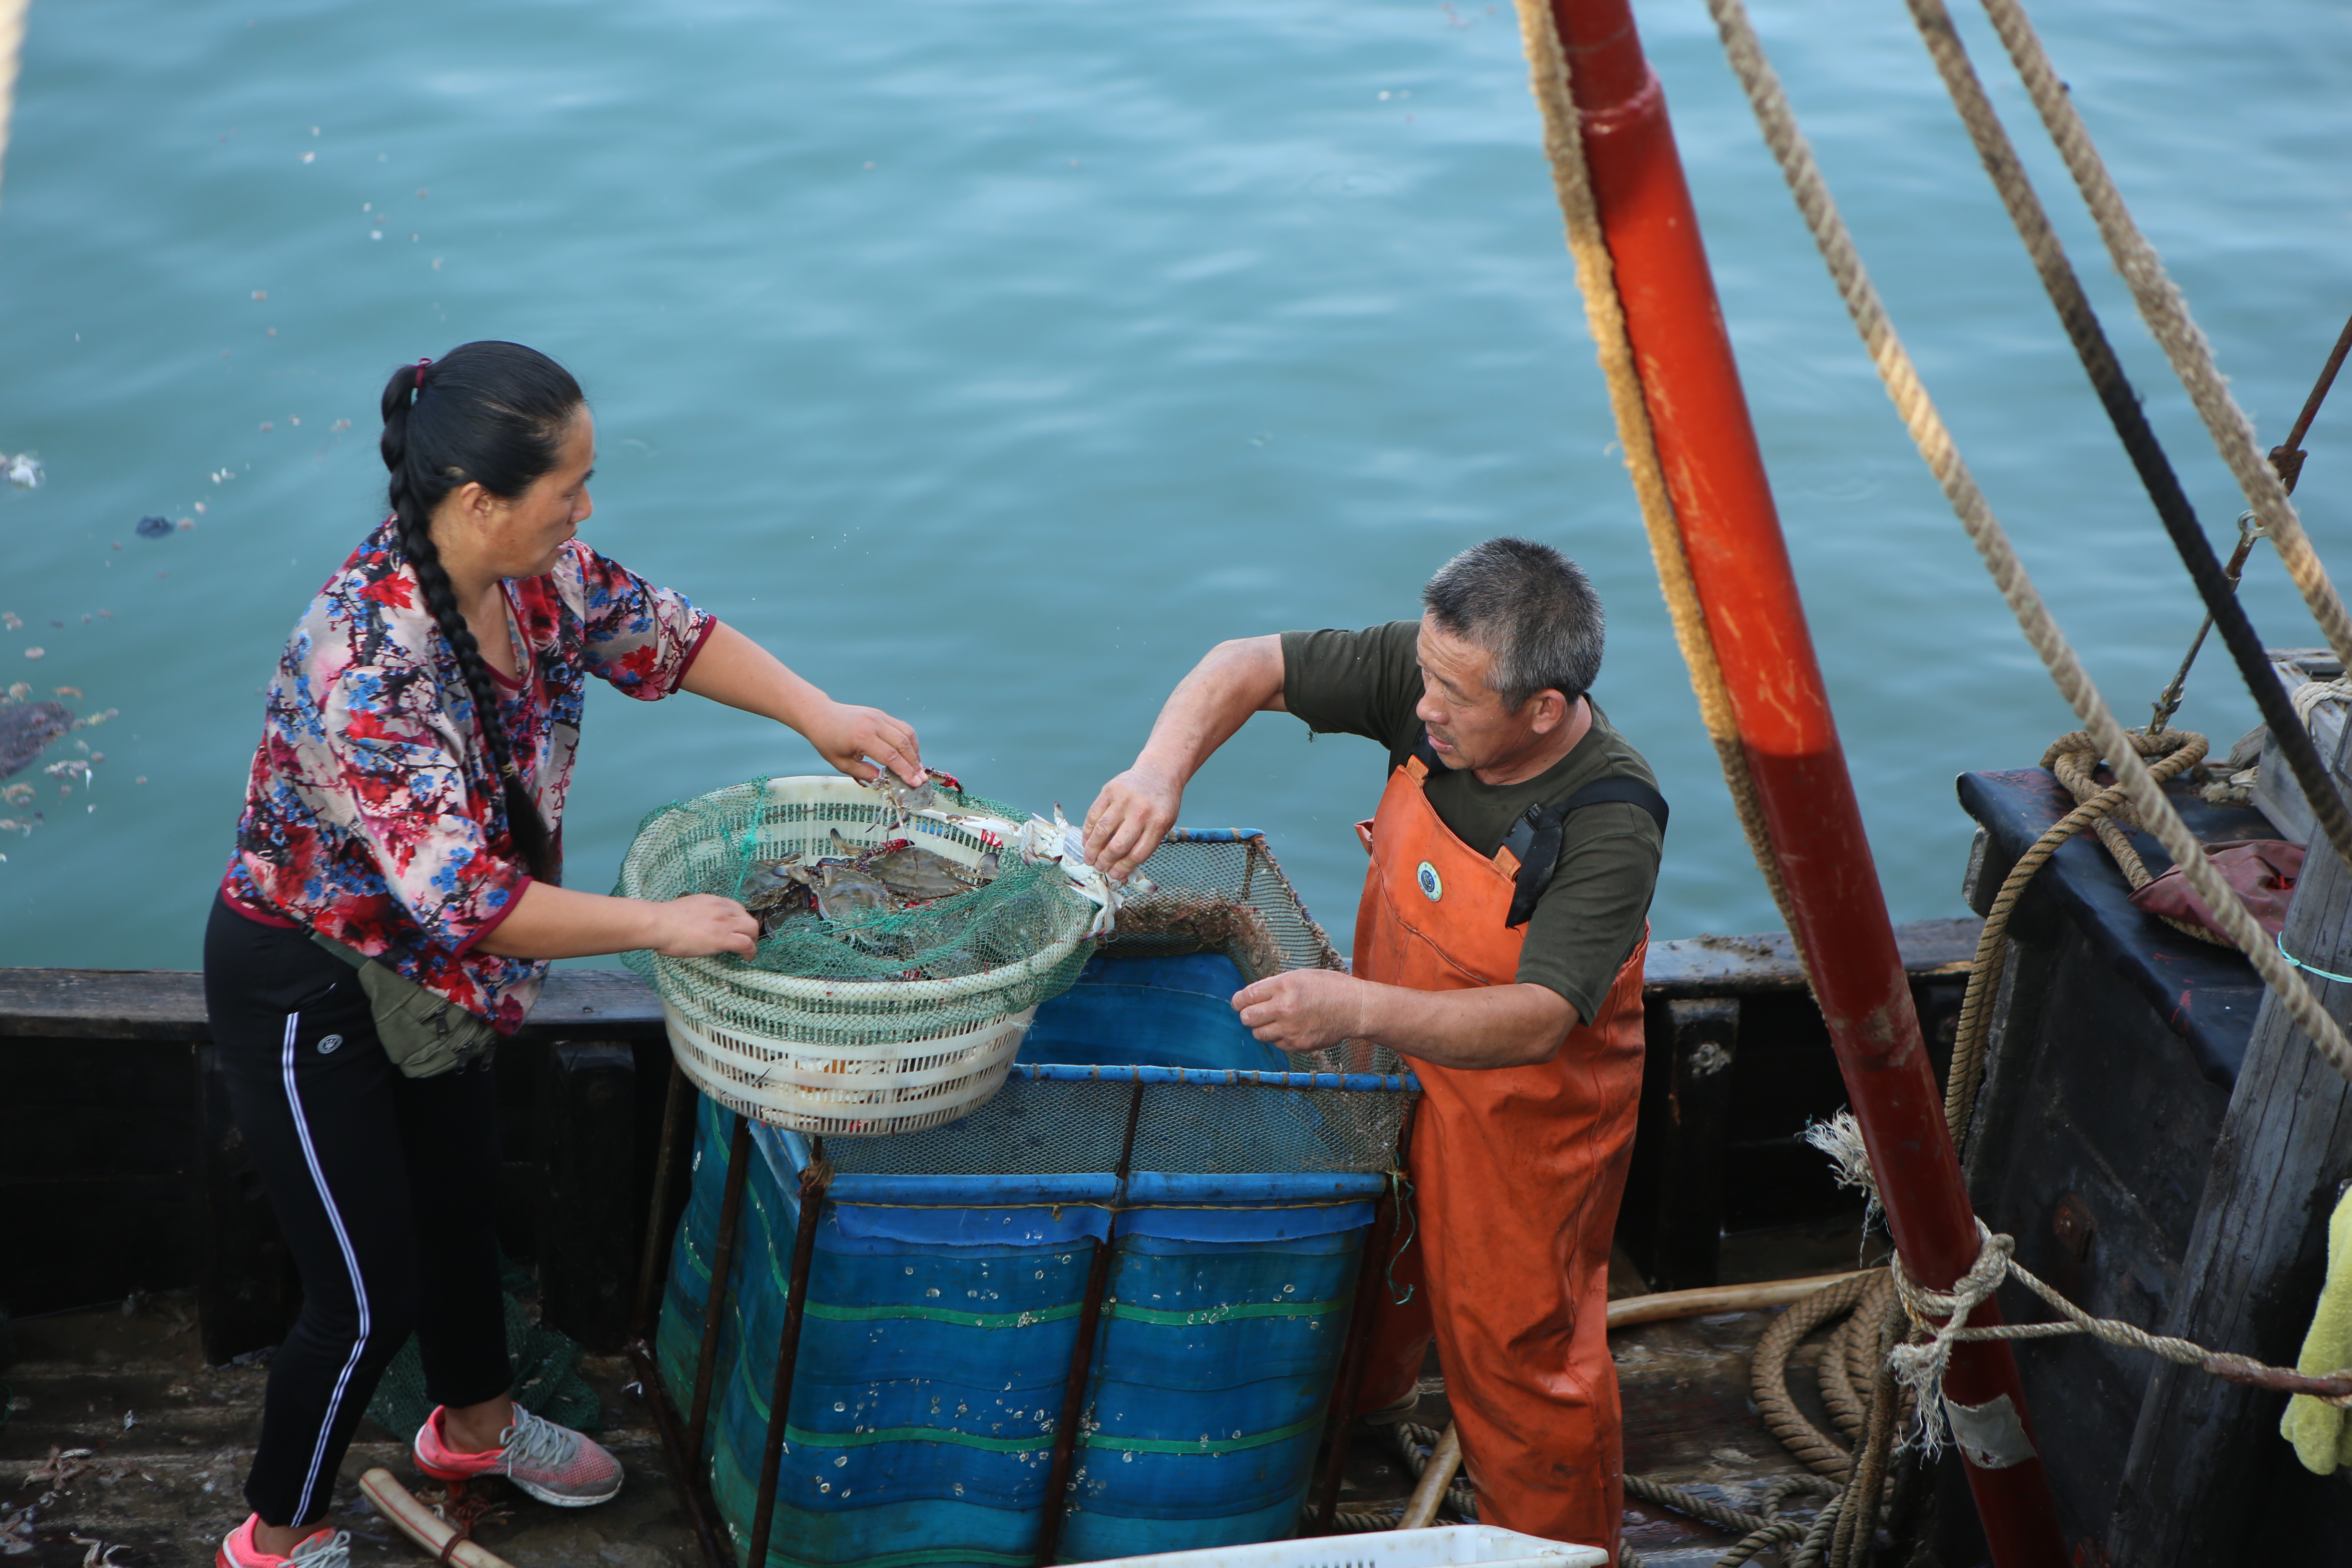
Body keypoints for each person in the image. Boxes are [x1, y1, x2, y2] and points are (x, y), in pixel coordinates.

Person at [203, 341, 926, 1568]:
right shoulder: (367, 659)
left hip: (442, 980)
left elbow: (673, 636)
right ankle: (274, 1538)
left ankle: (475, 1428)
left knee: (462, 1205)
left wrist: (820, 712)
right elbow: (471, 898)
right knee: (365, 1295)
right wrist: (660, 923)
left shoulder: (541, 579)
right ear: (479, 500)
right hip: (310, 978)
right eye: (569, 489)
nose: (586, 510)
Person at [1082, 537, 1663, 1555]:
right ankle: (1360, 1416)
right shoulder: (1443, 672)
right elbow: (1244, 664)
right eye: (1425, 677)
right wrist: (1157, 773)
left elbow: (1536, 1020)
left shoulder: (1610, 821)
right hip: (1386, 1061)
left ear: (1543, 708)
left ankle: (1557, 1544)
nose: (1424, 706)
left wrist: (1353, 1009)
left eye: (1454, 696)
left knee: (1516, 1353)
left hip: (1525, 1123)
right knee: (1367, 1259)